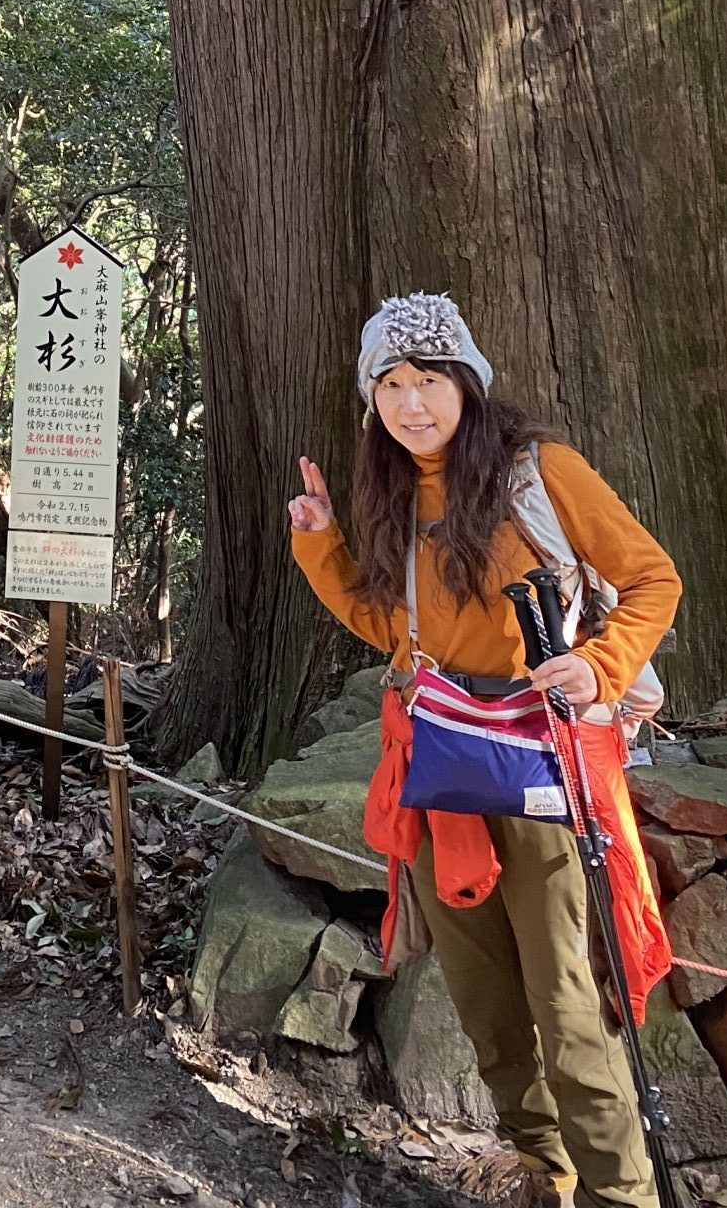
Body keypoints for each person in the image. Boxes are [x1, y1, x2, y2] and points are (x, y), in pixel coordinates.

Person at [289, 292, 679, 1208]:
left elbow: (652, 578)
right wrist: (321, 545)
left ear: (467, 382)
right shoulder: (393, 489)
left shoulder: (541, 473)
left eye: (428, 380)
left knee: (567, 1004)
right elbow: (393, 629)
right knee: (481, 995)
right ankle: (545, 1168)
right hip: (443, 764)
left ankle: (621, 1195)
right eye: (390, 384)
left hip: (544, 761)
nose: (410, 403)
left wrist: (600, 666)